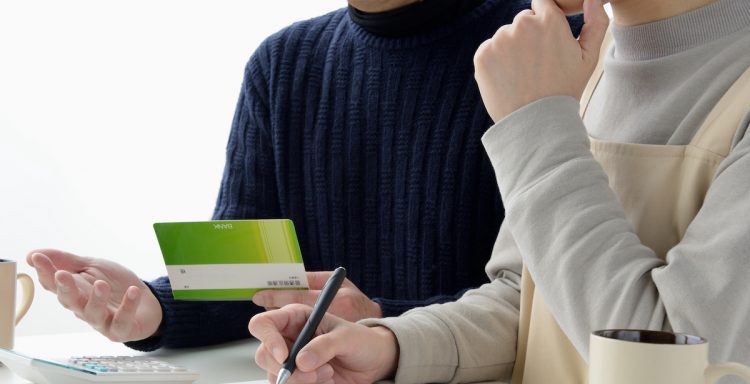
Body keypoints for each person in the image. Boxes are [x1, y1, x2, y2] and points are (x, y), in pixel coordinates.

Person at [250, 0, 750, 384]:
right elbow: (527, 303)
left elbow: (674, 375)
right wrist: (390, 345)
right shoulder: (585, 58)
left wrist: (536, 123)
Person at [26, 2, 583, 351]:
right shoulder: (284, 60)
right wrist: (153, 306)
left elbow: (549, 298)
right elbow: (253, 273)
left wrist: (381, 323)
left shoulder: (539, 52)